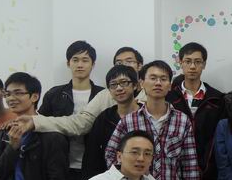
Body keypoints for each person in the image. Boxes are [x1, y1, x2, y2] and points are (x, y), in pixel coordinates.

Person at [106, 61, 201, 180]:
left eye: (163, 79)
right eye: (153, 78)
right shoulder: (129, 121)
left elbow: (190, 164)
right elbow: (111, 155)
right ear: (142, 83)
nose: (158, 83)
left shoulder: (182, 120)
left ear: (170, 85)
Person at [16, 46, 145, 139]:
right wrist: (36, 121)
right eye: (118, 63)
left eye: (129, 61)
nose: (123, 65)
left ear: (140, 66)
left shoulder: (150, 94)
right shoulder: (105, 95)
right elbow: (81, 122)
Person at [39, 41, 104, 180]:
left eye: (85, 60)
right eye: (75, 60)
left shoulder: (103, 95)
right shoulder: (54, 94)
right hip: (60, 166)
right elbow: (42, 125)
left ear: (93, 64)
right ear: (68, 63)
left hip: (95, 166)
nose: (80, 65)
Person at [166, 43, 225, 180]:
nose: (192, 66)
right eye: (188, 61)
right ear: (180, 63)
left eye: (198, 62)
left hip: (208, 174)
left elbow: (218, 138)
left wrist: (208, 165)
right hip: (174, 173)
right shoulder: (168, 98)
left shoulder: (217, 99)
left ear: (204, 64)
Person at [83, 65, 141, 180]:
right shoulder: (104, 118)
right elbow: (92, 157)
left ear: (135, 85)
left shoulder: (145, 115)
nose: (119, 88)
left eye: (124, 83)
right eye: (113, 85)